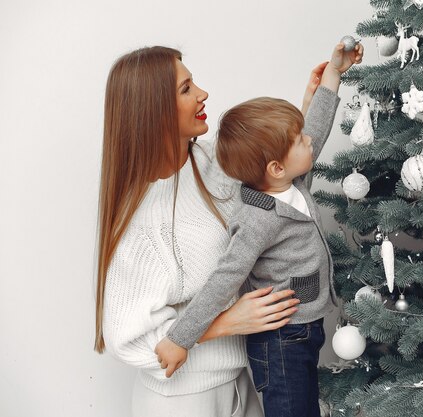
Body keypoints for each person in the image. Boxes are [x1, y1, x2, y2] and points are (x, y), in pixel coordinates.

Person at [94, 43, 361, 417]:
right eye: (186, 89)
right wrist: (221, 324)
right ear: (153, 110)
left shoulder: (211, 161)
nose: (203, 93)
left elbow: (280, 172)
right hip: (182, 401)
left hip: (242, 382)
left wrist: (316, 96)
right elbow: (127, 339)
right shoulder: (140, 220)